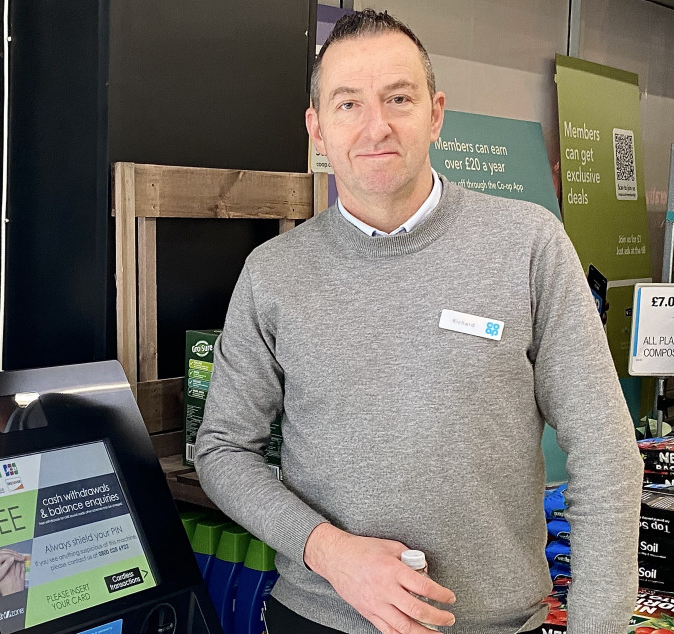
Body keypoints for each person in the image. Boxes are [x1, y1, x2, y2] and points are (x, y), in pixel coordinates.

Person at [194, 9, 642, 634]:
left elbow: (606, 450)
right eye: (347, 104)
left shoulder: (529, 245)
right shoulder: (273, 273)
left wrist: (599, 625)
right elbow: (221, 451)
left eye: (397, 98)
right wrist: (330, 551)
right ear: (316, 128)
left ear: (435, 113)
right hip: (318, 618)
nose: (376, 125)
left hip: (493, 625)